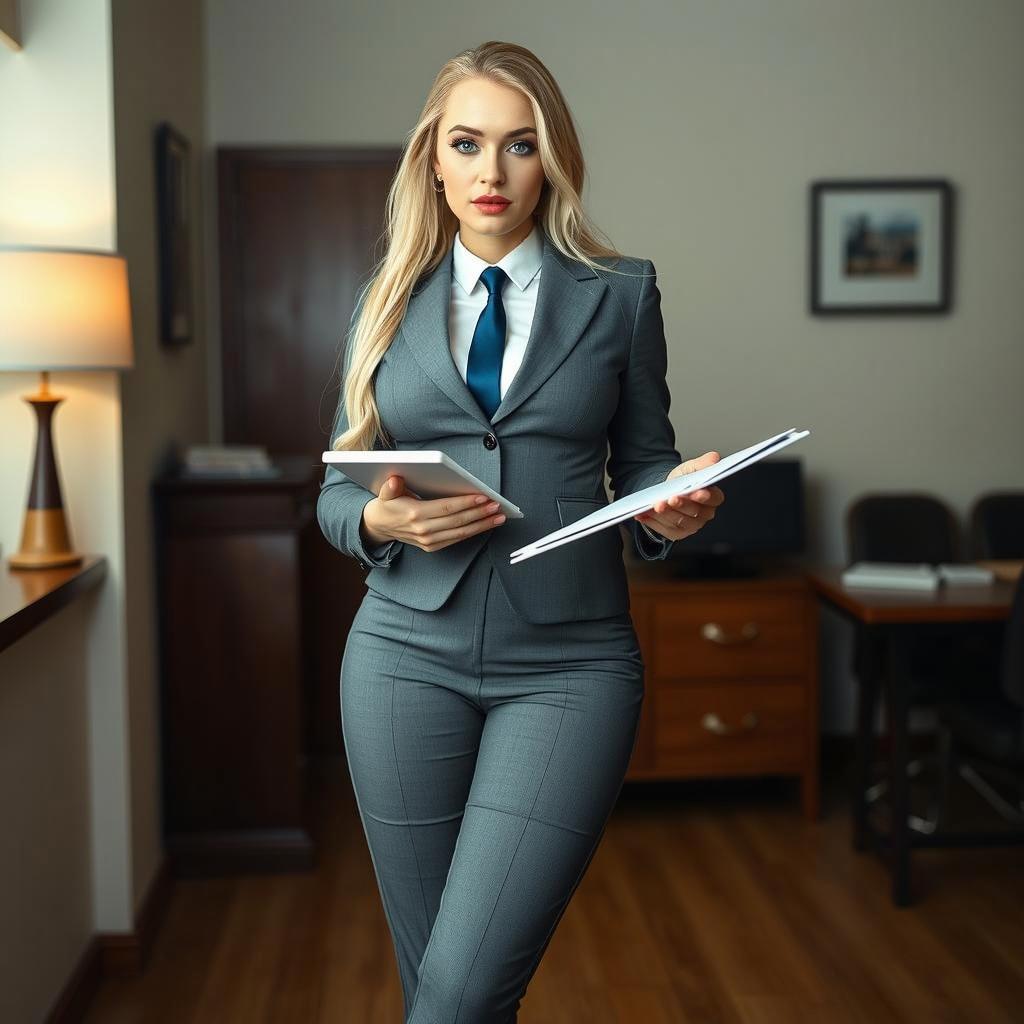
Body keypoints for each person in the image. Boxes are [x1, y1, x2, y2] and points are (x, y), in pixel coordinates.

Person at [318, 40, 725, 1023]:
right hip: (401, 658)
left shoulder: (620, 294)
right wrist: (377, 517)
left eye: (519, 145)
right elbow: (331, 490)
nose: (491, 172)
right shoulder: (383, 300)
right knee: (441, 990)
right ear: (433, 158)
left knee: (461, 988)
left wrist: (668, 506)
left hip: (571, 664)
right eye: (467, 143)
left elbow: (643, 464)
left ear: (553, 160)